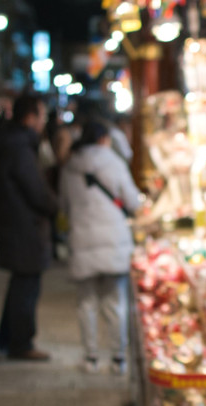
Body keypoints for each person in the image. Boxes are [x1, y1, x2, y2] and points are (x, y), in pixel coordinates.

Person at [59, 119, 142, 373]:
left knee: (86, 303)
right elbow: (133, 201)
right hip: (113, 240)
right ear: (104, 139)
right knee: (115, 302)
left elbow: (64, 205)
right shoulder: (114, 162)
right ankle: (118, 359)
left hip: (82, 239)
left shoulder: (69, 168)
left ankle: (91, 358)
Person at [0, 94, 57, 361]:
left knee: (21, 281)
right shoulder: (21, 147)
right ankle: (21, 343)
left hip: (16, 222)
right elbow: (34, 189)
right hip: (24, 225)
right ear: (30, 117)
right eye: (41, 115)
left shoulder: (14, 143)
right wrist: (54, 205)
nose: (43, 121)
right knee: (27, 284)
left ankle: (7, 337)